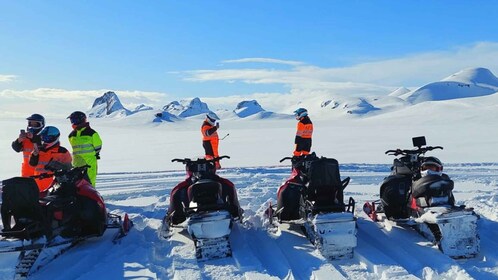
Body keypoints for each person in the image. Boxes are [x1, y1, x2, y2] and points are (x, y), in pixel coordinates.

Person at [29, 126, 72, 192]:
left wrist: (58, 166)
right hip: (37, 184)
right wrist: (34, 155)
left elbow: (69, 169)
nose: (45, 140)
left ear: (55, 138)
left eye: (47, 138)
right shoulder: (38, 150)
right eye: (43, 138)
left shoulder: (62, 151)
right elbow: (32, 164)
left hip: (53, 186)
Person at [67, 111, 102, 187]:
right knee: (76, 183)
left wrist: (92, 155)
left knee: (90, 183)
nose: (73, 122)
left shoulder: (91, 133)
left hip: (89, 163)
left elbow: (98, 146)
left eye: (74, 120)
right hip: (76, 162)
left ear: (81, 120)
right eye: (72, 120)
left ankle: (92, 198)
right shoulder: (71, 135)